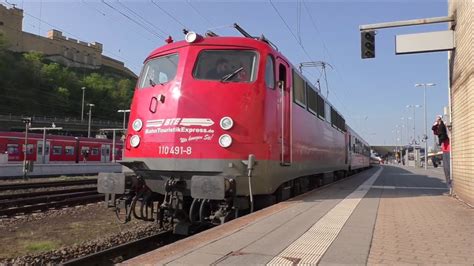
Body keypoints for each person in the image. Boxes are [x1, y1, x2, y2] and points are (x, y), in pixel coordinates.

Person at [431, 115, 451, 193]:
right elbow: (434, 129)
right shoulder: (439, 128)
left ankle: (451, 187)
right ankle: (449, 187)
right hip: (445, 149)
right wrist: (436, 122)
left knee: (448, 169)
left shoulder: (444, 126)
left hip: (449, 149)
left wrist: (440, 122)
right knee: (446, 169)